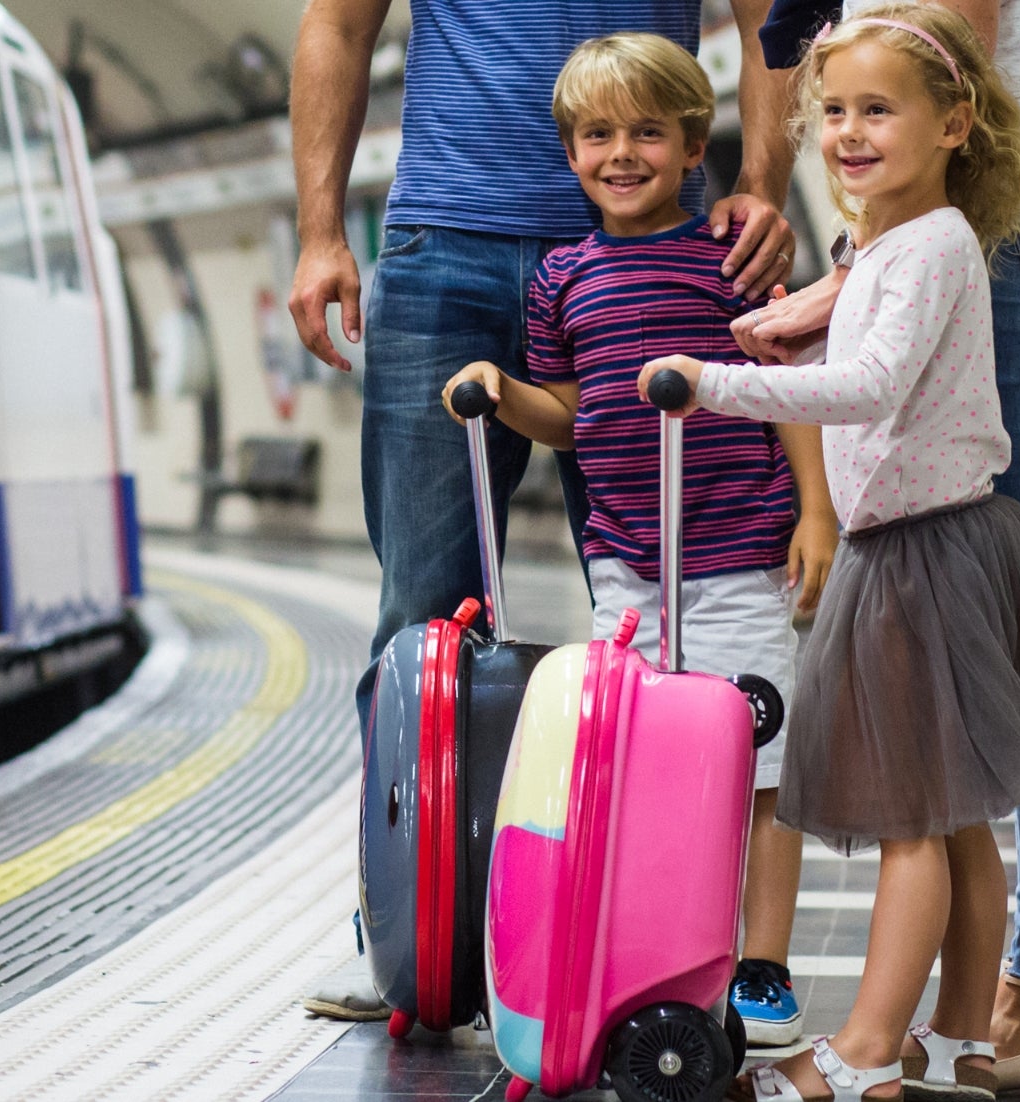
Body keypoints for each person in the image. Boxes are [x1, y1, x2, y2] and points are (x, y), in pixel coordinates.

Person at [286, 0, 804, 1022]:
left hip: (647, 250)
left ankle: (654, 945)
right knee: (421, 619)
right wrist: (317, 231)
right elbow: (336, 23)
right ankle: (403, 930)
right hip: (446, 246)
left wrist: (761, 186)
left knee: (666, 632)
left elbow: (770, 18)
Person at [635, 7, 1020, 1097]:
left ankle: (858, 1055)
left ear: (953, 124)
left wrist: (711, 382)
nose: (848, 133)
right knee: (955, 821)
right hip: (941, 546)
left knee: (910, 822)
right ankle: (950, 1037)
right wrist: (781, 325)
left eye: (877, 111)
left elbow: (873, 384)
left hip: (922, 559)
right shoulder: (891, 245)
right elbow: (843, 318)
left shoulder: (930, 246)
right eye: (833, 111)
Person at [431, 32, 831, 1046]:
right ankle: (659, 949)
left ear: (692, 145)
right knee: (640, 766)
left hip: (738, 555)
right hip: (626, 566)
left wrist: (816, 512)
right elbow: (569, 411)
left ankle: (762, 965)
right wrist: (498, 390)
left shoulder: (727, 259)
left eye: (646, 132)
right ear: (569, 154)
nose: (621, 153)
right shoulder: (561, 277)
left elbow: (785, 386)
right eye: (597, 135)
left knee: (762, 767)